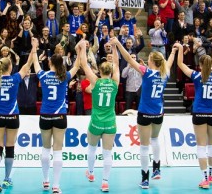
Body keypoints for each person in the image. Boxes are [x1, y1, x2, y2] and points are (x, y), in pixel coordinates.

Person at [112, 36, 176, 189]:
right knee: (155, 140)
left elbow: (128, 58)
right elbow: (170, 62)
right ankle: (157, 168)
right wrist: (173, 51)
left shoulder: (146, 72)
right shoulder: (165, 74)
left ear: (152, 61)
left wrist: (118, 44)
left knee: (144, 146)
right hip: (158, 113)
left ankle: (145, 178)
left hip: (145, 113)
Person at [0, 36, 36, 192]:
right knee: (10, 147)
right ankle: (6, 179)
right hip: (13, 117)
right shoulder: (15, 79)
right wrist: (33, 48)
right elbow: (28, 64)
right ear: (10, 67)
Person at [32, 39, 81, 194]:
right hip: (60, 116)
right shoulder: (64, 76)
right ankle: (56, 186)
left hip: (45, 115)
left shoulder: (44, 75)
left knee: (46, 149)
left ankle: (46, 181)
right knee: (58, 150)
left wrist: (34, 48)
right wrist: (79, 51)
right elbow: (77, 66)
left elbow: (35, 64)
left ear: (50, 63)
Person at [175, 43, 212, 189]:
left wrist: (181, 49)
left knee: (201, 146)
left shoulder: (196, 76)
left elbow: (180, 64)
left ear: (200, 64)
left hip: (199, 113)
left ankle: (205, 179)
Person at [80, 40, 119, 192]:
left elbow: (84, 64)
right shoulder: (115, 82)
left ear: (100, 71)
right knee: (107, 153)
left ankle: (90, 173)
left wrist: (83, 48)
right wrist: (114, 47)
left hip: (96, 121)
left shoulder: (95, 82)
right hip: (110, 122)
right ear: (110, 71)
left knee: (91, 149)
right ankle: (105, 182)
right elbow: (115, 63)